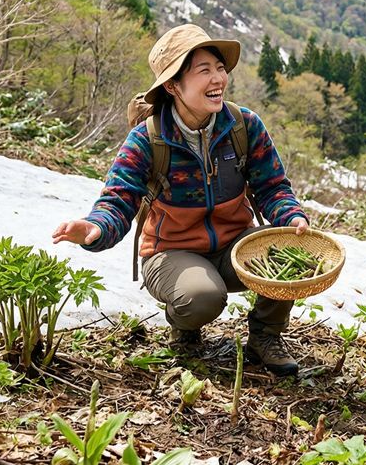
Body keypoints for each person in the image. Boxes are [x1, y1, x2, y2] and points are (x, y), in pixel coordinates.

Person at [52, 23, 310, 377]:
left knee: (290, 254)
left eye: (220, 68)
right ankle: (185, 328)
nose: (218, 78)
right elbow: (119, 199)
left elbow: (273, 187)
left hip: (233, 245)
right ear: (173, 85)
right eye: (204, 70)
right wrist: (95, 229)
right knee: (202, 297)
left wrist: (291, 216)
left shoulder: (243, 126)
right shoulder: (148, 139)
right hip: (171, 253)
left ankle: (265, 337)